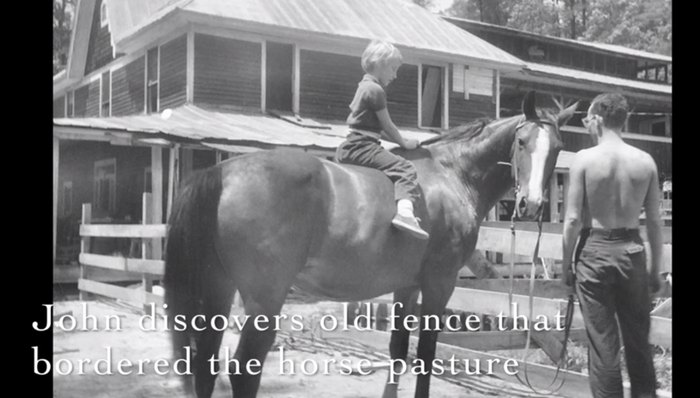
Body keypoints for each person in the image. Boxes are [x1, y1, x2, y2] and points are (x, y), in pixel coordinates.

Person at [561, 93, 663, 398]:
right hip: (632, 251)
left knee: (602, 345)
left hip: (595, 251)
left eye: (589, 119)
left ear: (599, 119)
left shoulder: (584, 159)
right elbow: (656, 223)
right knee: (638, 341)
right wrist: (655, 270)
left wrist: (566, 265)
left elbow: (573, 219)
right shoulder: (645, 161)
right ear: (625, 119)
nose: (588, 124)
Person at [335, 40, 429, 240]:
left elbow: (376, 128)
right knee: (405, 168)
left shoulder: (364, 86)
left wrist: (399, 140)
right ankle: (405, 213)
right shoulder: (376, 90)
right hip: (363, 146)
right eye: (393, 69)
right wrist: (404, 143)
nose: (395, 75)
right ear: (379, 64)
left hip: (352, 144)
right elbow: (388, 126)